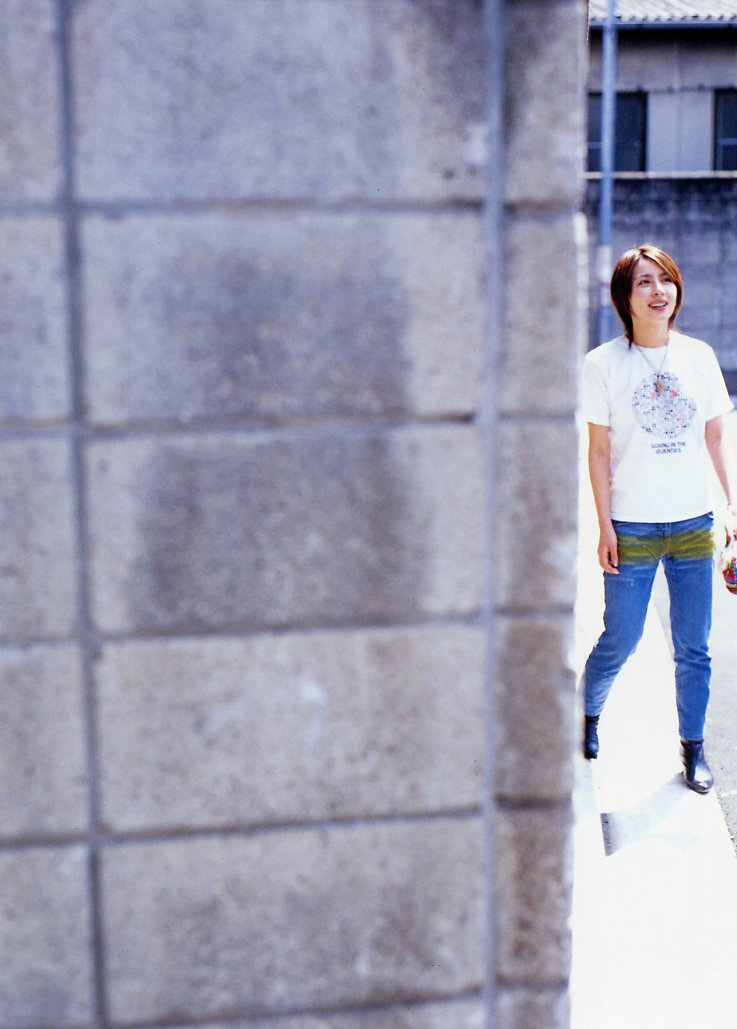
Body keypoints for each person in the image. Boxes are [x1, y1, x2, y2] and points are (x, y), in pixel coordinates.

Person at [579, 243, 737, 793]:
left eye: (665, 280)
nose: (658, 291)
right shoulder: (602, 364)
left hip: (693, 522)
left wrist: (732, 506)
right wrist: (604, 525)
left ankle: (693, 747)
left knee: (695, 647)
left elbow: (716, 437)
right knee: (621, 638)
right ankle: (587, 712)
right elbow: (599, 451)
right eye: (644, 282)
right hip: (632, 526)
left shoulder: (699, 356)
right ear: (624, 296)